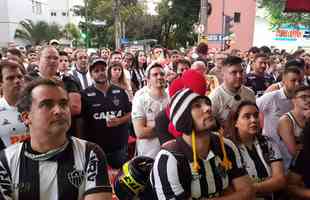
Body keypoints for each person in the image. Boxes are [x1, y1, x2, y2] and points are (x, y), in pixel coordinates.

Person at [0, 79, 112, 199]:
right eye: (47, 104)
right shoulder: (6, 160)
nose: (59, 111)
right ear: (27, 117)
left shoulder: (90, 153)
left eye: (63, 104)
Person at [151, 88, 255, 199]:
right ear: (183, 118)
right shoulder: (168, 159)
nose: (208, 108)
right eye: (197, 106)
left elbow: (247, 192)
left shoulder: (226, 146)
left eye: (207, 103)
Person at [228, 101, 286, 199]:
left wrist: (249, 190)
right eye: (247, 116)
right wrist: (267, 185)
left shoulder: (267, 142)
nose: (254, 120)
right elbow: (230, 187)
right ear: (235, 122)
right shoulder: (227, 148)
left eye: (256, 115)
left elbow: (280, 180)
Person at [80, 59, 131, 169]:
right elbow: (80, 121)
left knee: (118, 179)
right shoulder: (85, 94)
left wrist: (119, 121)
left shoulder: (120, 91)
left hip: (118, 146)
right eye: (96, 71)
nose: (101, 73)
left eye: (103, 69)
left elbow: (130, 113)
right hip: (95, 148)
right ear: (91, 74)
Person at [257, 67, 303, 156]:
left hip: (292, 150)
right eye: (293, 80)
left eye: (299, 81)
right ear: (284, 81)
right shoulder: (271, 97)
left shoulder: (301, 100)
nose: (297, 84)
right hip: (273, 150)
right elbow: (253, 109)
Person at [132, 63, 169, 158]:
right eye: (155, 75)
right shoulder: (141, 99)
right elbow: (140, 132)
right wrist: (168, 128)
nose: (160, 77)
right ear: (148, 80)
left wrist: (152, 127)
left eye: (162, 74)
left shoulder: (172, 97)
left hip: (170, 154)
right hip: (148, 155)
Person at [209, 56, 255, 125]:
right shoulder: (214, 97)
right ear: (223, 75)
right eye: (234, 72)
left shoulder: (250, 93)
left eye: (241, 72)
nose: (239, 76)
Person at [277, 85, 310, 171]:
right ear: (294, 100)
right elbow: (294, 152)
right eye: (303, 97)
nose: (309, 100)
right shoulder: (286, 121)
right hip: (290, 168)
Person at [0, 60, 27, 150]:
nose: (17, 81)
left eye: (20, 77)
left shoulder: (35, 106)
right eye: (10, 78)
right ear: (1, 83)